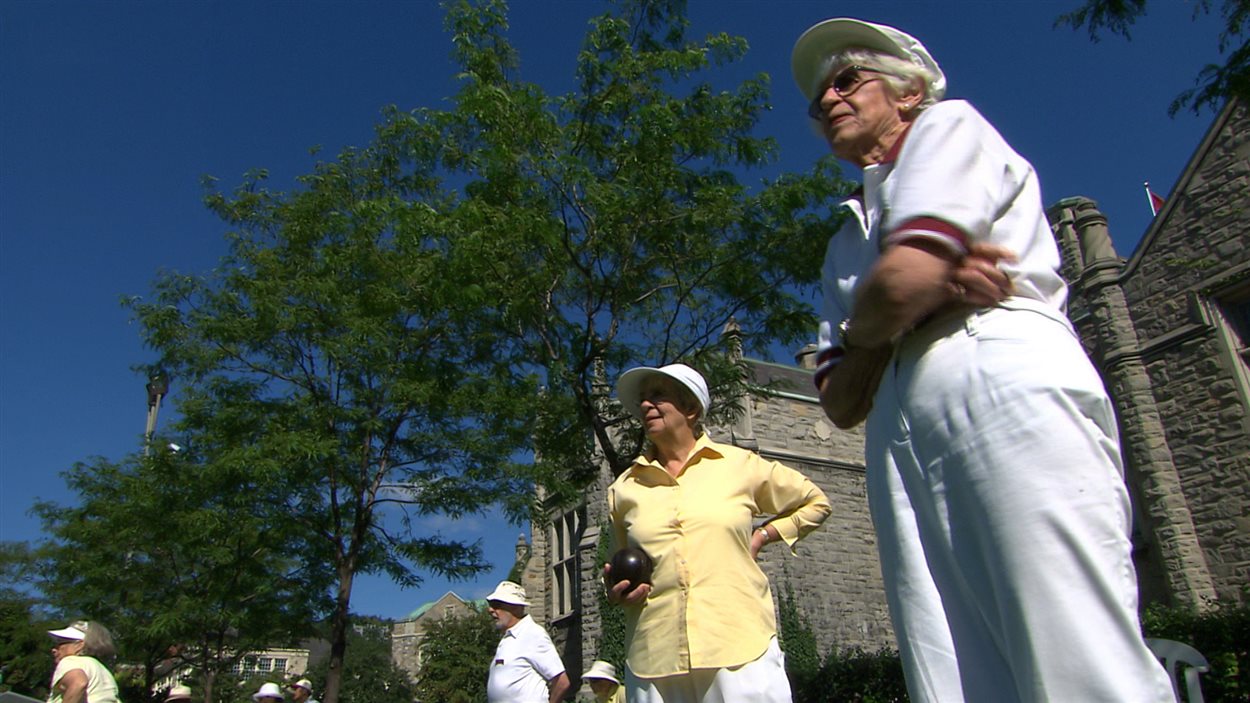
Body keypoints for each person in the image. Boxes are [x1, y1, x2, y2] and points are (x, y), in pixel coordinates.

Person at [791, 17, 1173, 703]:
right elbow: (839, 401)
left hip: (996, 378)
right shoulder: (842, 244)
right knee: (952, 669)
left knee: (1072, 644)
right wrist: (907, 304)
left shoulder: (946, 131)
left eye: (847, 80)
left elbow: (904, 281)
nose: (829, 103)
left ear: (907, 93)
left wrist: (886, 312)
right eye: (818, 102)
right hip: (897, 437)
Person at [606, 363, 831, 702]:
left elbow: (815, 502)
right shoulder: (623, 490)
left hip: (738, 646)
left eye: (657, 396)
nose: (645, 405)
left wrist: (763, 535)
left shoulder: (739, 465)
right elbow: (614, 565)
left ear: (691, 409)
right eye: (642, 400)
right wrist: (615, 590)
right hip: (655, 656)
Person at [485, 580, 572, 703]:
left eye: (496, 605)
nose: (490, 609)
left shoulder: (533, 634)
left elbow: (562, 682)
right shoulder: (507, 639)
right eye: (490, 604)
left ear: (515, 606)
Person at [47, 620, 120, 703]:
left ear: (79, 645)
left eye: (60, 643)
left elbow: (79, 683)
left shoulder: (71, 661)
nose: (54, 649)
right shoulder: (105, 673)